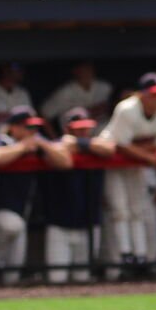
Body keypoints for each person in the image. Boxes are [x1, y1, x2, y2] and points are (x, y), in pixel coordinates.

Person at [0, 105, 69, 285]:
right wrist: (22, 146)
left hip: (20, 215)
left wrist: (43, 144)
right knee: (12, 225)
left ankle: (1, 292)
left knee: (12, 276)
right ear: (14, 127)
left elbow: (65, 162)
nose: (32, 131)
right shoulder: (2, 141)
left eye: (34, 127)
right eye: (27, 127)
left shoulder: (37, 144)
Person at [94, 71, 156, 270]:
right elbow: (120, 145)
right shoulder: (126, 108)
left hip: (135, 163)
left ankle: (140, 255)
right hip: (114, 160)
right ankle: (123, 253)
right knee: (119, 209)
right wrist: (146, 153)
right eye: (153, 94)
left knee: (138, 209)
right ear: (141, 95)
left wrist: (136, 149)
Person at [43, 108, 105, 283]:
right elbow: (63, 160)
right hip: (60, 222)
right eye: (79, 128)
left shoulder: (95, 145)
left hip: (89, 222)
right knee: (57, 278)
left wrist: (82, 144)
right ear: (67, 129)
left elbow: (109, 148)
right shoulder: (56, 146)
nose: (84, 132)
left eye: (86, 128)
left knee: (83, 278)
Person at [41, 61, 113, 126]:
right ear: (75, 71)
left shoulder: (105, 87)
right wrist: (54, 139)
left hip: (102, 136)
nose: (87, 72)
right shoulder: (65, 92)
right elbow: (44, 114)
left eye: (88, 68)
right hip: (73, 137)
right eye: (83, 69)